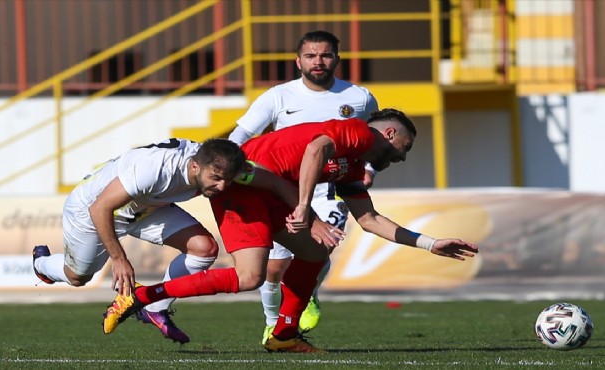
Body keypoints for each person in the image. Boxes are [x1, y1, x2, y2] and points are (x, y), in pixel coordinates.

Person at [102, 108, 479, 353]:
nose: (401, 156)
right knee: (251, 277)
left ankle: (283, 334)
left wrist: (431, 244)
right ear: (391, 133)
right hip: (246, 186)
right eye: (404, 147)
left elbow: (370, 220)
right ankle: (141, 297)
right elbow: (316, 150)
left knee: (315, 253)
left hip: (273, 190)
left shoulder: (351, 167)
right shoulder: (360, 135)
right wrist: (303, 207)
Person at [32, 138, 302, 344]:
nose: (222, 187)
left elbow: (275, 183)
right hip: (92, 210)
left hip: (147, 209)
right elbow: (100, 208)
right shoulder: (155, 168)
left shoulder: (216, 164)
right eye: (216, 179)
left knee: (204, 249)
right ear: (195, 166)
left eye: (228, 181)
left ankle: (152, 307)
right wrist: (119, 259)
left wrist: (307, 216)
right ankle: (42, 263)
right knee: (78, 277)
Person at [228, 30, 379, 343]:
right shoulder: (278, 97)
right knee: (273, 269)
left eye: (325, 55)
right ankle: (274, 325)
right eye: (311, 55)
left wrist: (369, 168)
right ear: (298, 61)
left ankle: (306, 291)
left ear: (337, 58)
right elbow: (239, 136)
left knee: (320, 248)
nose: (318, 61)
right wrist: (232, 167)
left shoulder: (360, 97)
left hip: (329, 191)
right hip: (284, 190)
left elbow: (378, 141)